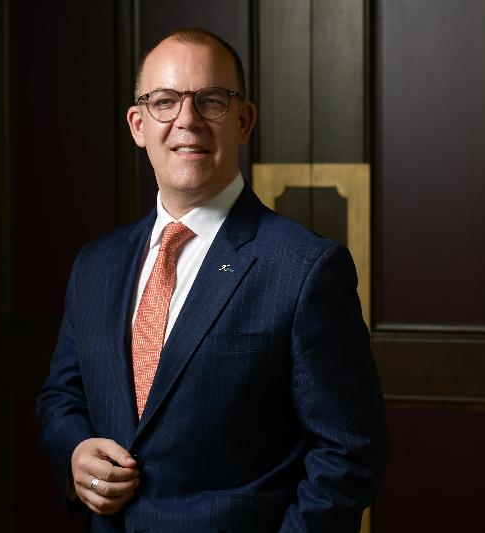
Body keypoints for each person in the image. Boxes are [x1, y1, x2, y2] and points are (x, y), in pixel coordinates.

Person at [36, 27, 389, 533]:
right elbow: (61, 396)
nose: (187, 120)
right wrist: (75, 451)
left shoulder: (305, 267)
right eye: (165, 101)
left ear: (243, 120)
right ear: (138, 125)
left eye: (211, 101)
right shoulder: (96, 264)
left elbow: (348, 453)